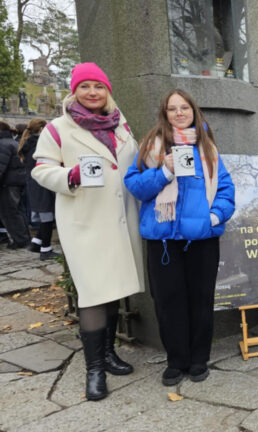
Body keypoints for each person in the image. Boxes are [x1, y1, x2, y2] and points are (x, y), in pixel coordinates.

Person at [32, 63, 145, 401]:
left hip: (121, 220)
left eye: (98, 86)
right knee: (93, 294)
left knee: (112, 290)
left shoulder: (121, 125)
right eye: (85, 87)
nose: (92, 92)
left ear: (107, 90)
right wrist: (71, 176)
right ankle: (94, 369)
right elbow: (41, 169)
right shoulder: (58, 128)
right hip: (86, 224)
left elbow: (133, 163)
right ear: (74, 91)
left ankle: (108, 354)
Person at [124, 89, 235, 386]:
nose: (179, 113)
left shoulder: (208, 148)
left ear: (193, 111)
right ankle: (176, 360)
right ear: (165, 113)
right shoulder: (151, 146)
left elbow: (226, 189)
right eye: (172, 109)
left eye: (184, 107)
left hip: (202, 239)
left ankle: (199, 359)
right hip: (163, 240)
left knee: (201, 300)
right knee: (168, 302)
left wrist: (213, 218)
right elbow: (134, 185)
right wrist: (164, 172)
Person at [18, 118, 59, 260]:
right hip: (41, 185)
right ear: (41, 130)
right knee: (47, 217)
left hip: (34, 184)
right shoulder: (38, 144)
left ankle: (36, 243)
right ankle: (45, 250)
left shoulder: (28, 143)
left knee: (45, 217)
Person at [0, 121, 30, 249]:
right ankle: (24, 237)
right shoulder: (12, 142)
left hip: (8, 183)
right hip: (18, 181)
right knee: (18, 211)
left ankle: (20, 240)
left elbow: (1, 166)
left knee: (10, 213)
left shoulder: (3, 145)